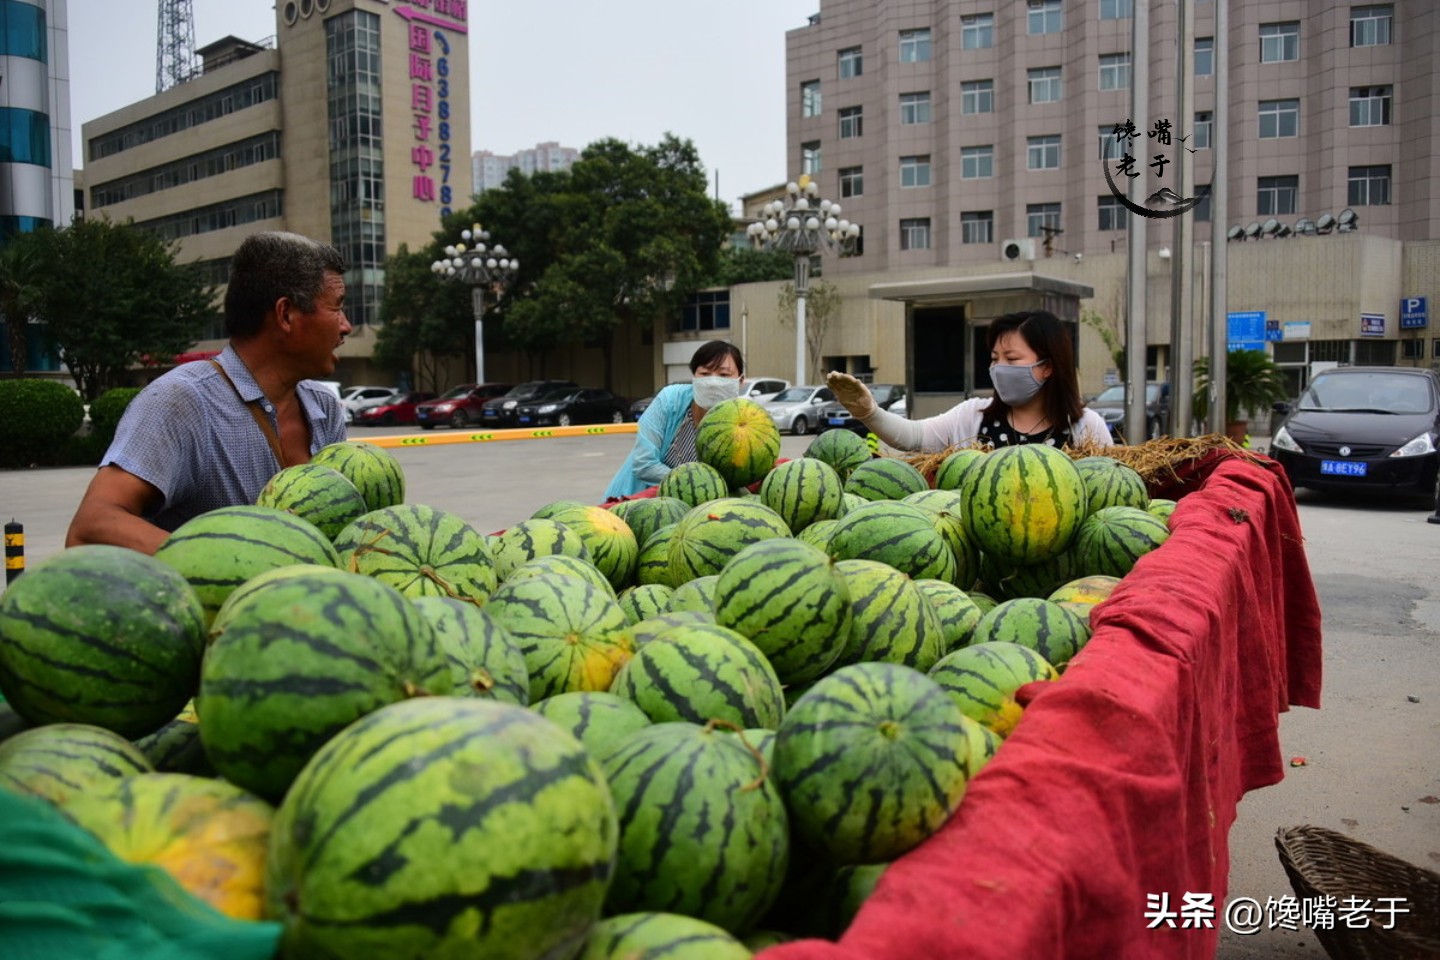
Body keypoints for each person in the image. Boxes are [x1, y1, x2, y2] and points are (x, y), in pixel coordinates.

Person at [65, 231, 351, 554]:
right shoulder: (181, 402)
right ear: (286, 314)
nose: (346, 326)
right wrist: (233, 561)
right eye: (337, 308)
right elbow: (91, 527)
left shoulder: (324, 408)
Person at [826, 309, 1112, 453]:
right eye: (995, 358)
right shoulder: (972, 417)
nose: (1000, 368)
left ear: (1047, 366)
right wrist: (868, 412)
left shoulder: (1086, 428)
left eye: (1011, 359)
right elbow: (913, 437)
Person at [606, 340, 746, 499]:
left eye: (724, 375)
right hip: (636, 501)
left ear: (740, 381)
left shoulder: (745, 423)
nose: (713, 382)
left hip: (697, 513)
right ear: (694, 377)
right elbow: (644, 464)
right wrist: (697, 483)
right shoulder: (670, 400)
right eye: (705, 374)